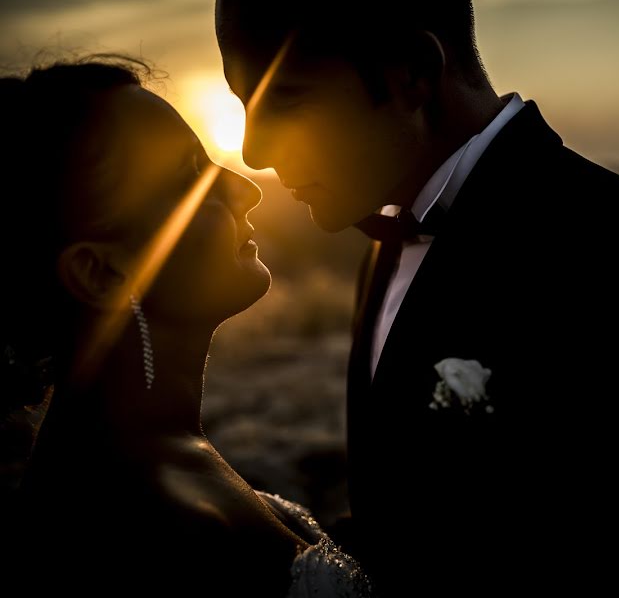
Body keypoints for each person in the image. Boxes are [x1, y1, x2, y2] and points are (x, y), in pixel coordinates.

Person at [216, 0, 619, 593]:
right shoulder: (385, 241)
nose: (254, 150)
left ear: (413, 74)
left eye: (284, 99)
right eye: (242, 105)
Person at [0, 57, 372, 597]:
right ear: (98, 270)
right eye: (189, 178)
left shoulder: (150, 447)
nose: (248, 190)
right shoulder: (153, 525)